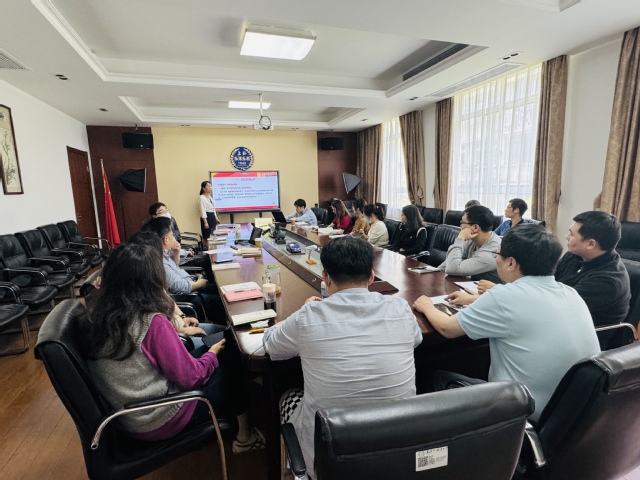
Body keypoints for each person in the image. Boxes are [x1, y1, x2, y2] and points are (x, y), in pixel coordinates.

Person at [79, 242, 265, 453]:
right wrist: (212, 355)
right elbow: (191, 378)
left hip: (130, 415)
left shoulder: (99, 313)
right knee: (230, 358)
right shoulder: (149, 321)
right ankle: (245, 438)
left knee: (220, 348)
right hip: (161, 418)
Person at [263, 236, 422, 475]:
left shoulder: (308, 316)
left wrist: (294, 316)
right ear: (371, 277)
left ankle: (298, 471)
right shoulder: (400, 309)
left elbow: (271, 346)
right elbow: (416, 340)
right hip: (396, 454)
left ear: (326, 278)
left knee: (288, 397)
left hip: (329, 462)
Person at [413, 224, 600, 421]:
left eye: (497, 254)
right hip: (574, 417)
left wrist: (426, 305)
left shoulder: (504, 296)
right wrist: (474, 299)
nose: (496, 259)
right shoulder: (570, 292)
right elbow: (524, 305)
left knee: (433, 377)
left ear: (511, 262)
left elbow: (447, 328)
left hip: (522, 413)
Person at [128, 231, 220, 357]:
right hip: (179, 341)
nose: (161, 257)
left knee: (223, 333)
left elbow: (169, 301)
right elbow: (178, 363)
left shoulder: (151, 281)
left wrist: (182, 317)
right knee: (226, 342)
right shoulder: (140, 297)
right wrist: (182, 330)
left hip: (179, 327)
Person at [142, 217, 225, 324]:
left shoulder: (164, 253)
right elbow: (181, 288)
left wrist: (176, 253)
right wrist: (200, 283)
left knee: (221, 289)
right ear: (166, 240)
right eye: (172, 234)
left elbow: (175, 268)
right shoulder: (159, 263)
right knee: (220, 300)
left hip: (192, 285)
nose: (174, 236)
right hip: (189, 295)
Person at [555, 210, 631, 326]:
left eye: (572, 234)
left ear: (590, 244)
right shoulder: (574, 255)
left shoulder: (608, 281)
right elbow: (549, 281)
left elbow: (561, 306)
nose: (567, 237)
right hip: (565, 320)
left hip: (589, 332)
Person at [149, 202, 215, 283]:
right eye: (161, 211)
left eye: (166, 210)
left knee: (208, 257)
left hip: (179, 258)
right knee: (208, 259)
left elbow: (175, 246)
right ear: (154, 216)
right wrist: (186, 252)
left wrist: (184, 251)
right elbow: (170, 252)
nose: (166, 213)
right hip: (180, 261)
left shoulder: (167, 227)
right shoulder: (160, 233)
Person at [439, 205, 501, 276]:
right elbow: (449, 262)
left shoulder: (493, 252)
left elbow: (452, 269)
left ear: (475, 227)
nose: (460, 226)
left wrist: (460, 238)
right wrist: (435, 271)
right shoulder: (473, 240)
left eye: (462, 222)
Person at [199, 181, 219, 248]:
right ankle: (207, 249)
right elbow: (202, 210)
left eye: (211, 186)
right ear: (203, 188)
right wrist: (205, 222)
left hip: (212, 216)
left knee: (213, 234)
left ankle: (213, 248)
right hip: (206, 217)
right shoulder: (202, 198)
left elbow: (213, 209)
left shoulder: (210, 197)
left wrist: (216, 218)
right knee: (206, 236)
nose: (210, 188)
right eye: (208, 186)